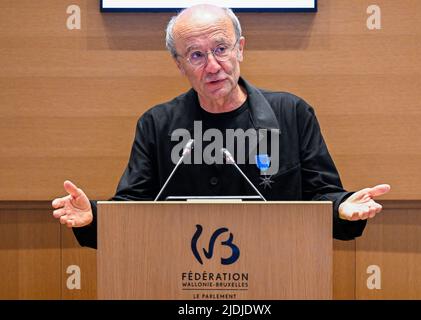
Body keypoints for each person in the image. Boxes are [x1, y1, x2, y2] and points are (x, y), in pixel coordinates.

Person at [52, 4, 390, 249]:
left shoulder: (292, 113)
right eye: (196, 55)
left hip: (276, 272)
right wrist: (93, 217)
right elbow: (133, 209)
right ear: (179, 64)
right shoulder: (157, 124)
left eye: (221, 49)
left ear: (240, 49)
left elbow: (322, 197)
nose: (212, 66)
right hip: (181, 279)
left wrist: (343, 207)